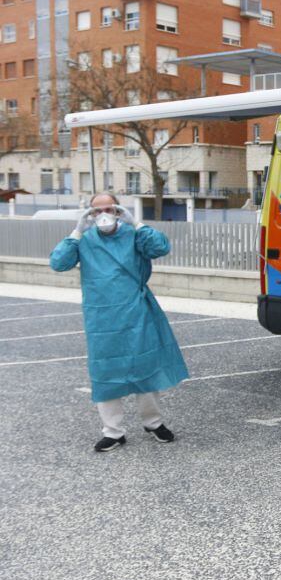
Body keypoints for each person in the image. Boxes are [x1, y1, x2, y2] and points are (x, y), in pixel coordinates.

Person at [49, 193, 189, 452]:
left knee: (144, 365)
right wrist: (77, 231)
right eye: (96, 211)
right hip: (101, 315)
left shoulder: (133, 235)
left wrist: (136, 223)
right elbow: (58, 263)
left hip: (136, 311)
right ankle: (113, 431)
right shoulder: (84, 240)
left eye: (109, 209)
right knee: (105, 372)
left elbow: (160, 248)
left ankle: (153, 422)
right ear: (89, 215)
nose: (103, 215)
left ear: (118, 211)